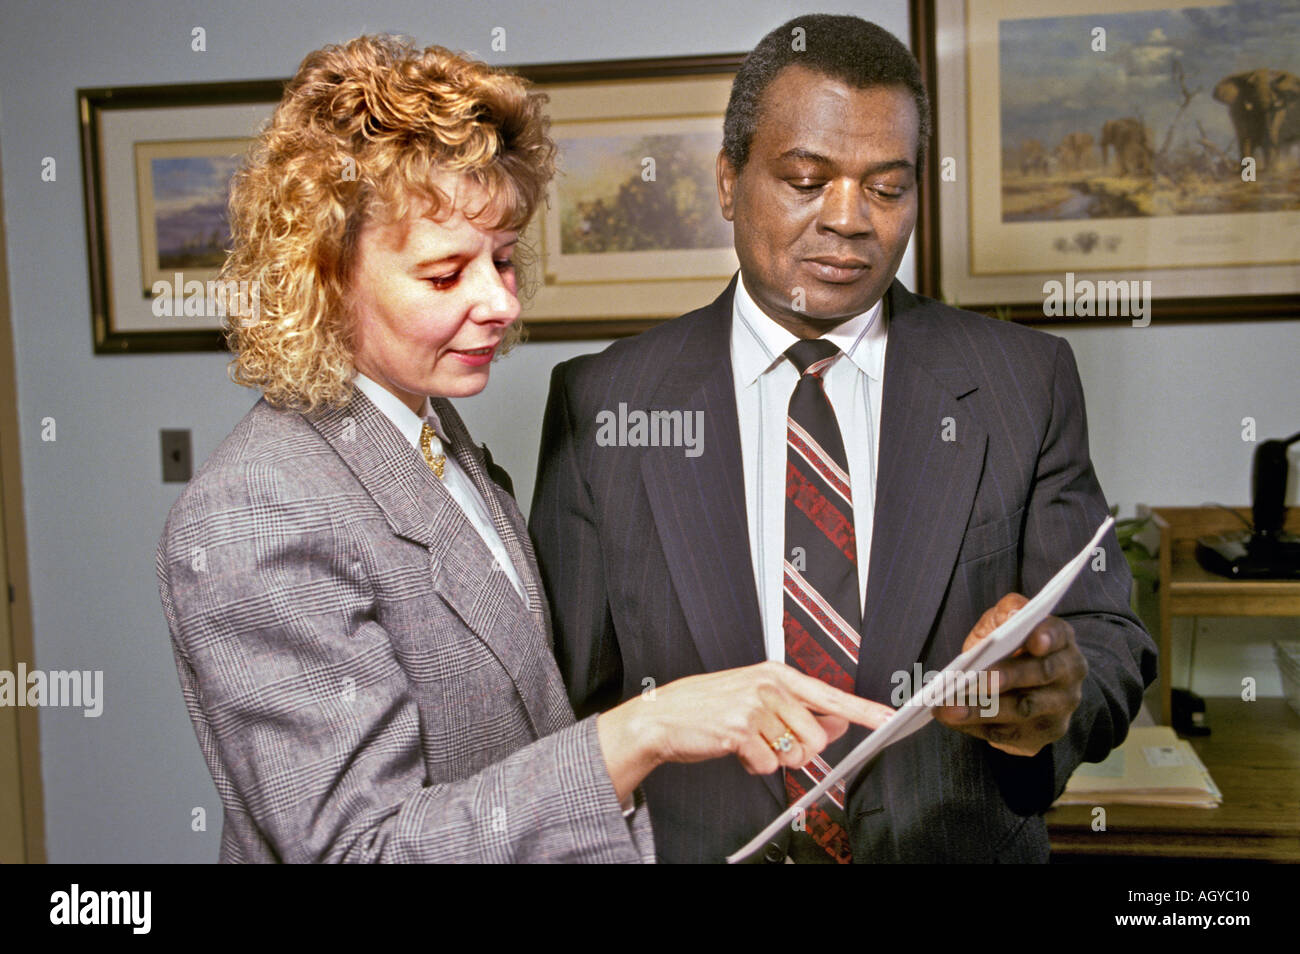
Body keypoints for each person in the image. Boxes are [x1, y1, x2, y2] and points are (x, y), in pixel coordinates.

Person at [155, 34, 892, 864]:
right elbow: (360, 852)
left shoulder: (435, 437)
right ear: (323, 277)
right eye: (445, 276)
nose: (500, 301)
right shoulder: (257, 510)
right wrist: (640, 731)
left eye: (503, 260)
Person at [530, 14, 1158, 863]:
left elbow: (1108, 634)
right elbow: (561, 705)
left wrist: (1055, 702)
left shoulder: (1023, 381)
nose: (849, 219)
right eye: (805, 178)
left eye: (887, 188)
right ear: (728, 179)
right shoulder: (601, 402)